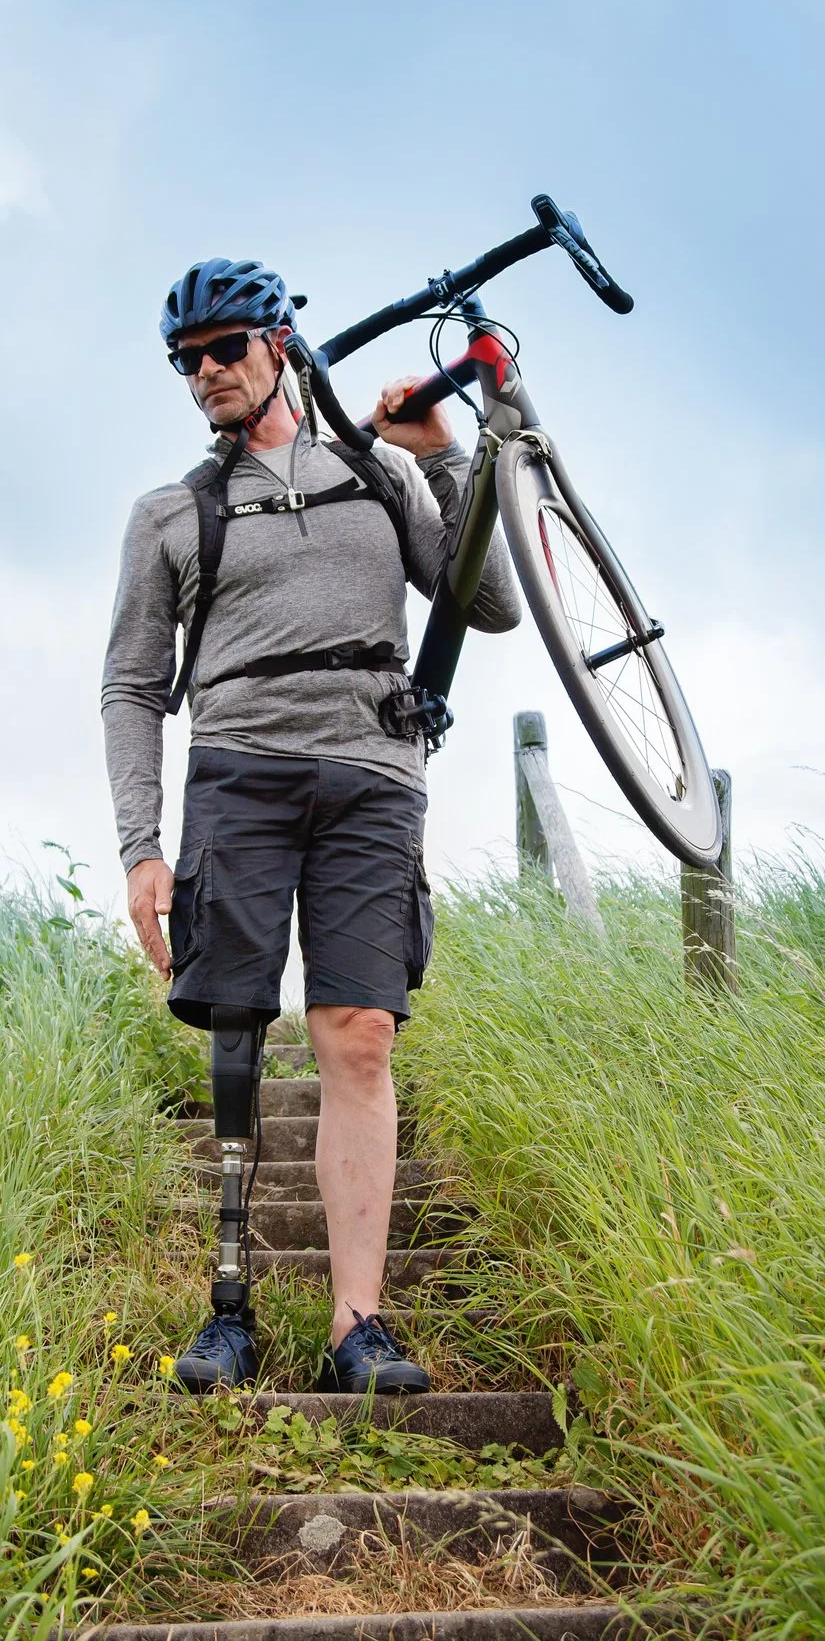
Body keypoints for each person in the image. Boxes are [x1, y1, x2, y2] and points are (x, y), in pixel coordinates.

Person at [100, 258, 521, 1393]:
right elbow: (133, 685)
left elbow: (490, 605)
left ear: (279, 343)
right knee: (234, 1022)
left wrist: (443, 453)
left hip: (374, 776)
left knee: (359, 1032)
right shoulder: (172, 512)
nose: (204, 375)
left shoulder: (379, 470)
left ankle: (357, 1324)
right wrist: (142, 845)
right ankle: (227, 1304)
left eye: (223, 349)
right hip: (238, 769)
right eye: (185, 362)